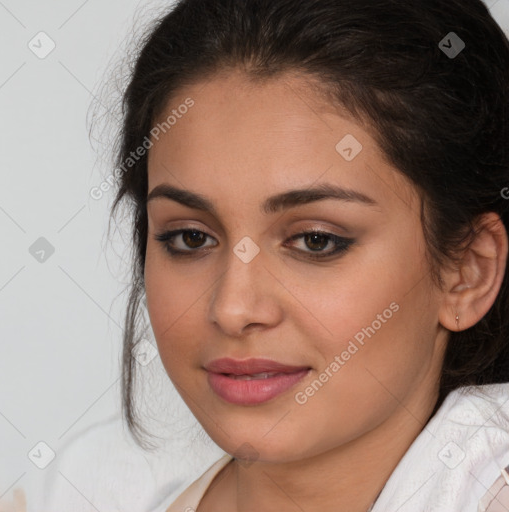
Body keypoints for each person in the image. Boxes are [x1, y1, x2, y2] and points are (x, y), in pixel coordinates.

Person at [109, 0, 509, 510]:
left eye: (315, 240)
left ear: (467, 272)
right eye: (190, 238)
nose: (232, 309)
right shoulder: (84, 483)